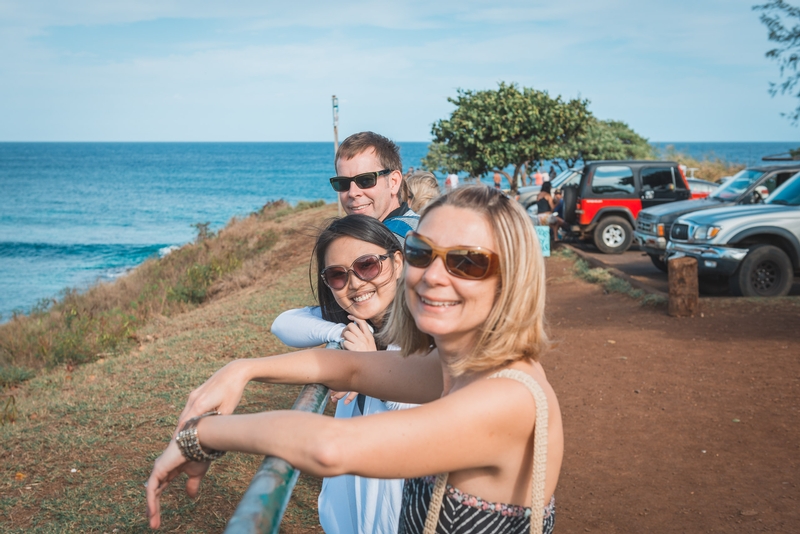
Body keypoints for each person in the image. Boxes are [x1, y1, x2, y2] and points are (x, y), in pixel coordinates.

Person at [146, 185, 563, 534]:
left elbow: (330, 448)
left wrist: (200, 434)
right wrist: (242, 369)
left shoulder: (506, 397)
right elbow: (351, 367)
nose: (433, 275)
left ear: (511, 279)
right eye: (422, 251)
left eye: (466, 262)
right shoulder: (461, 370)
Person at [273, 214, 413, 534]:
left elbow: (411, 413)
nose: (355, 283)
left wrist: (367, 367)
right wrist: (341, 333)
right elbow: (284, 324)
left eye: (367, 265)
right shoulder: (358, 331)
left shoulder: (424, 338)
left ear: (398, 262)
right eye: (337, 275)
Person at [331, 132, 418, 246]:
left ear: (394, 182)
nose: (352, 193)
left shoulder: (405, 241)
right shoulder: (419, 226)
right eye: (343, 183)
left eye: (365, 180)